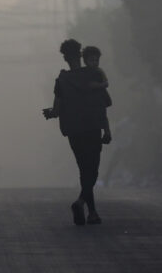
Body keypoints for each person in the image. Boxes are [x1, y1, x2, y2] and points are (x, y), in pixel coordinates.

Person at [43, 39, 112, 226]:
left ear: (65, 58)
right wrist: (107, 129)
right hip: (93, 128)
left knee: (83, 169)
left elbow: (56, 111)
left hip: (74, 131)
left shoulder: (62, 80)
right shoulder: (94, 74)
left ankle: (92, 211)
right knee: (92, 169)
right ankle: (84, 205)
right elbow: (103, 105)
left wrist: (49, 113)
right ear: (81, 55)